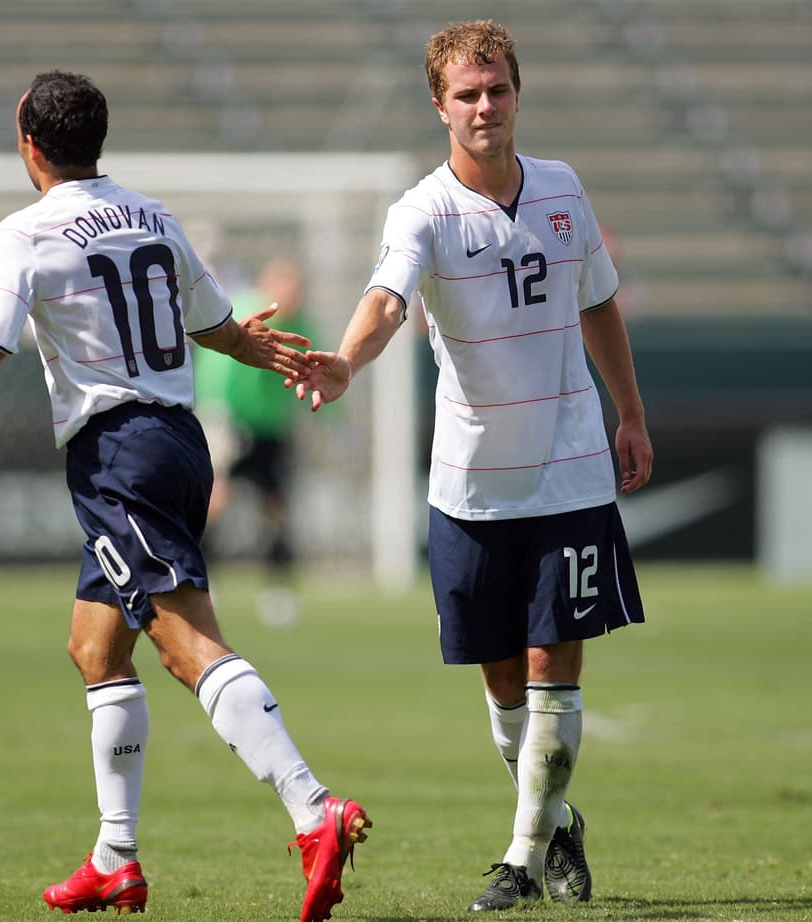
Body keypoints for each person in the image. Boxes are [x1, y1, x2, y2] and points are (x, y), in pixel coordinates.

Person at [0, 71, 370, 921]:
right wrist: (266, 354)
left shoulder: (24, 231)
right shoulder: (153, 214)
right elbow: (216, 326)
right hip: (177, 440)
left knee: (184, 645)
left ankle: (313, 809)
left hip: (116, 455)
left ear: (29, 143)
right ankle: (115, 859)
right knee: (97, 648)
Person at [290, 19, 652, 912]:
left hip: (568, 469)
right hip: (470, 484)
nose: (484, 105)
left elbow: (599, 303)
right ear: (439, 106)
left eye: (496, 89)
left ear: (518, 93)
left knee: (549, 662)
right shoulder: (423, 209)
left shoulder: (564, 190)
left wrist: (630, 413)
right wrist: (345, 360)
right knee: (501, 685)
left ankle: (523, 861)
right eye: (467, 93)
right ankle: (558, 821)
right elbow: (385, 298)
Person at [195, 257, 313, 625]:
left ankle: (277, 590)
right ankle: (200, 584)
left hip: (271, 430)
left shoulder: (301, 324)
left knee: (276, 509)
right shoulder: (246, 315)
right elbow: (216, 369)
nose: (293, 295)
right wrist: (216, 419)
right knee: (215, 503)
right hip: (231, 424)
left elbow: (315, 367)